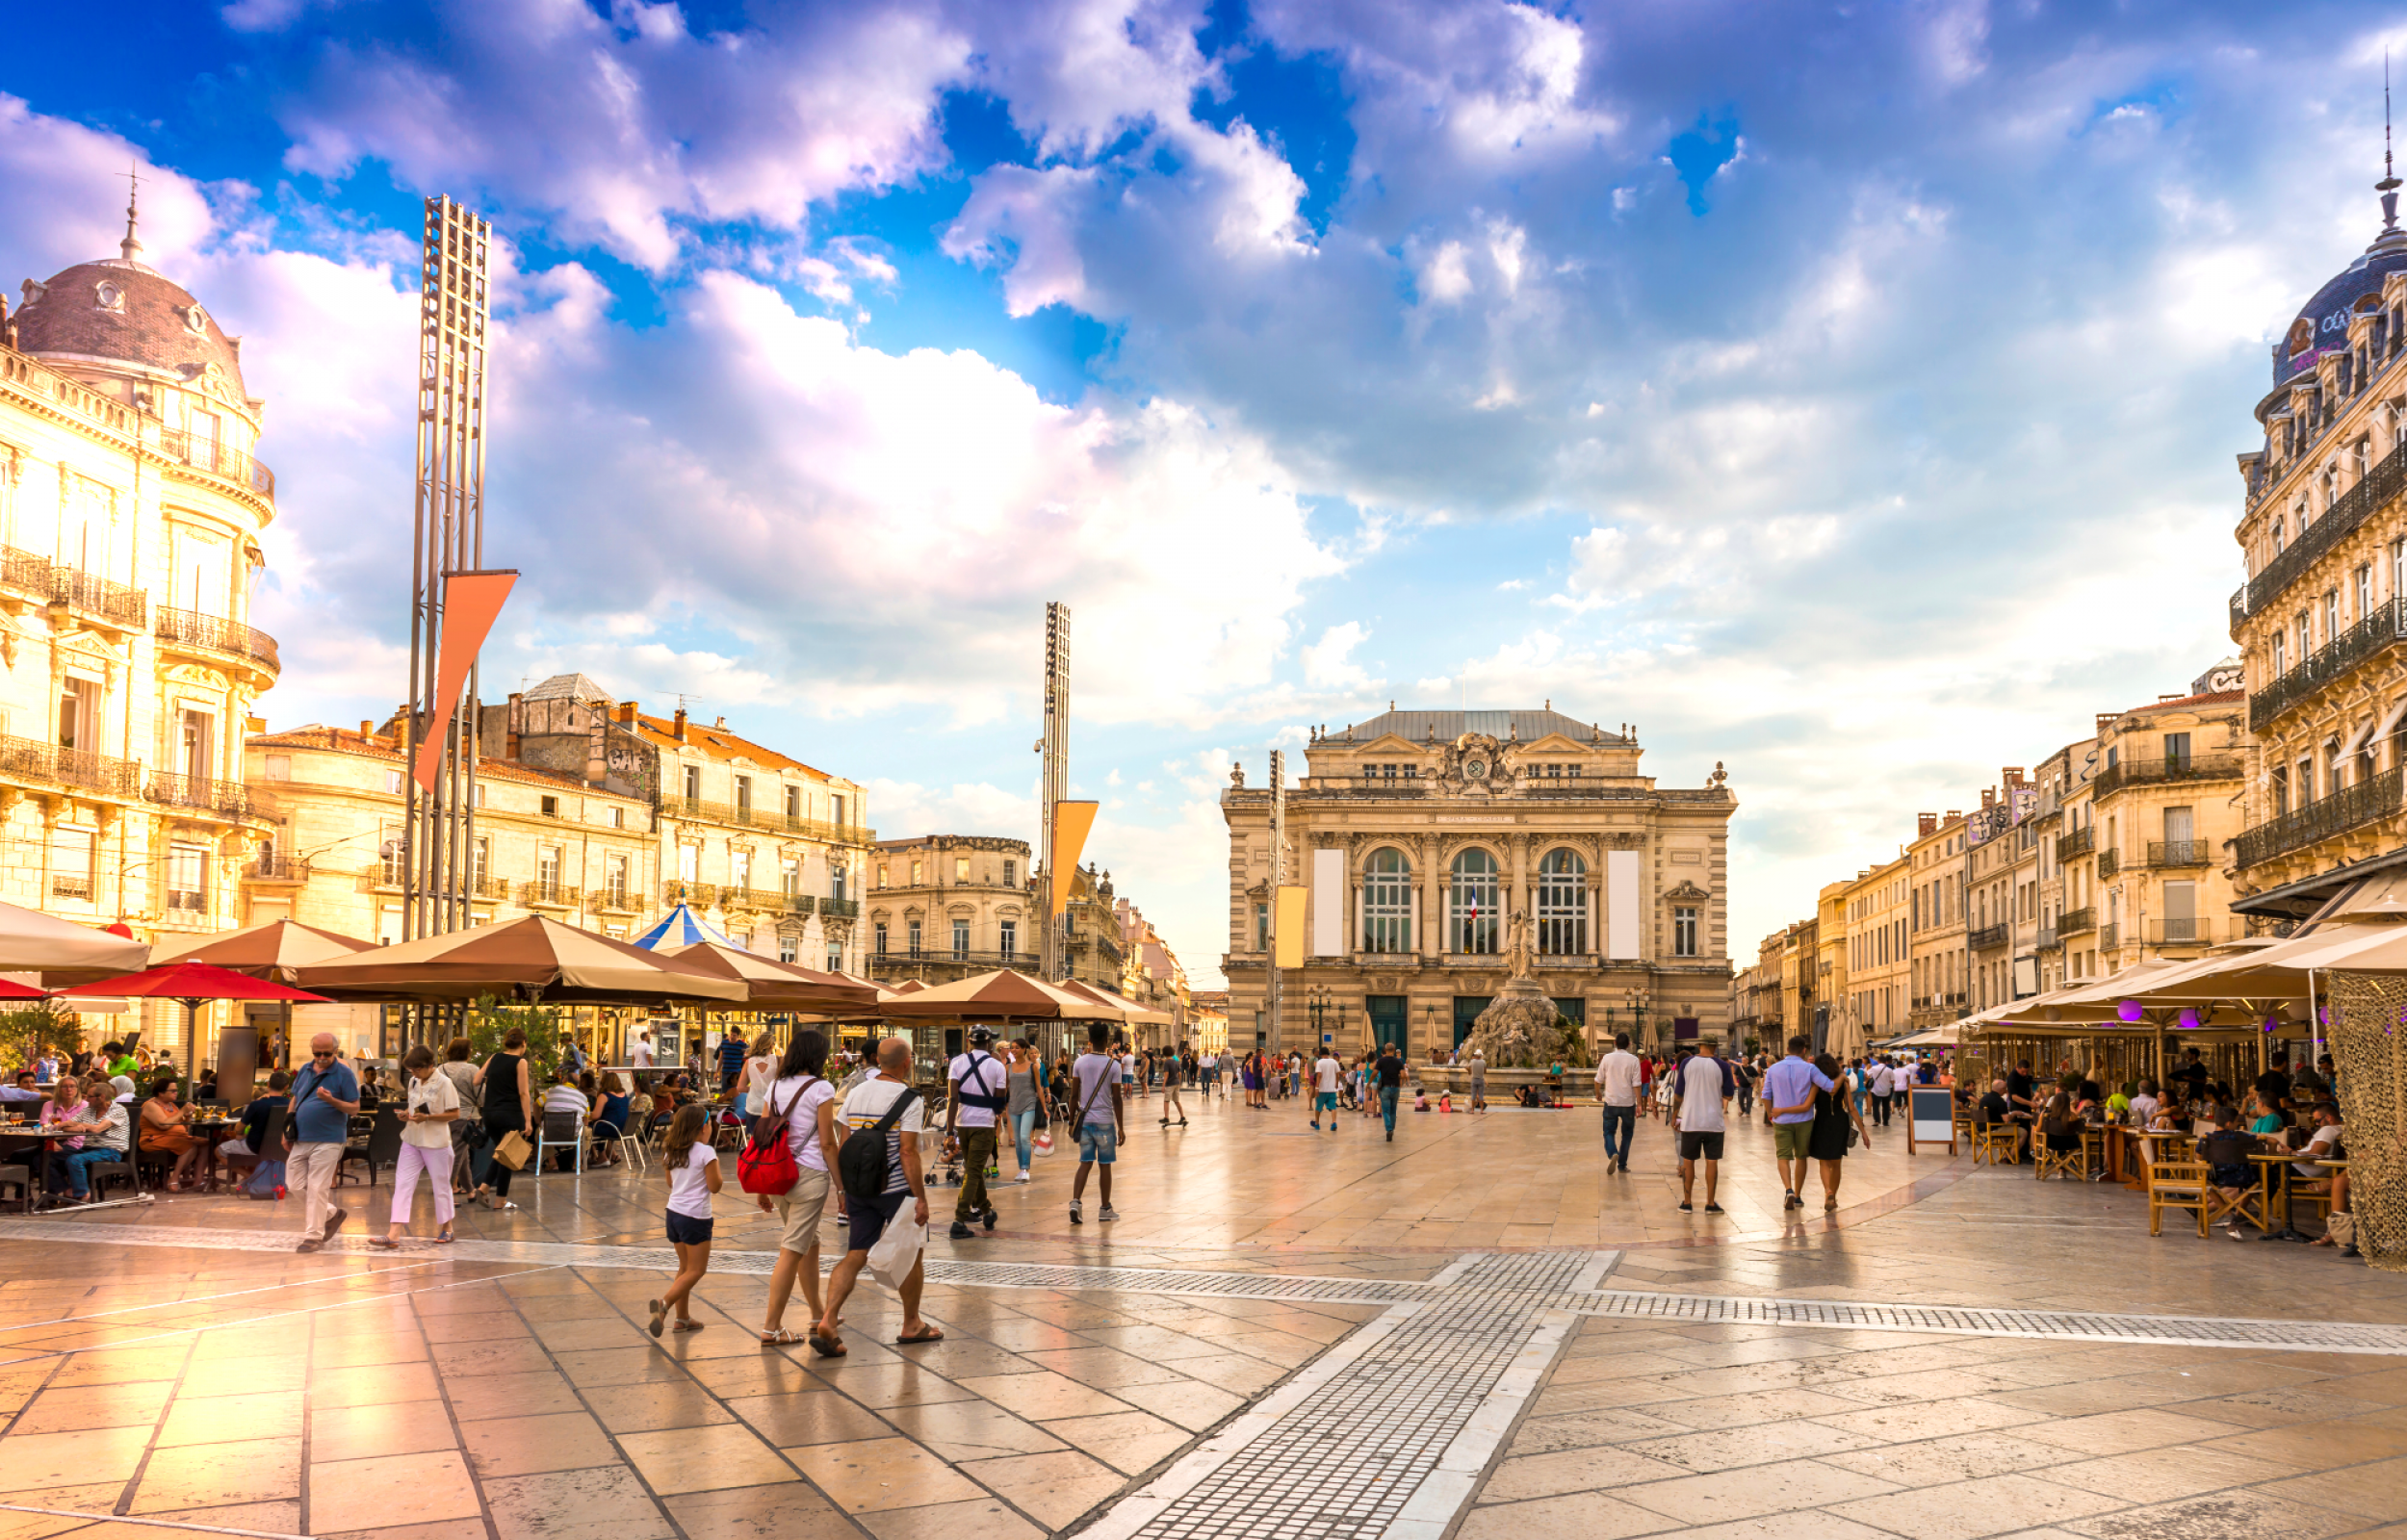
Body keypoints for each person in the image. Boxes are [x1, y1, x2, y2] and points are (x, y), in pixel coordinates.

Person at [815, 1037, 939, 1352]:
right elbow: (908, 1152)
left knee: (856, 1253)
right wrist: (920, 1198)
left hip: (859, 1188)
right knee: (911, 1256)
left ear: (877, 1060)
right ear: (907, 1063)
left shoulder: (855, 1093)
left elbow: (844, 1145)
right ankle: (912, 1324)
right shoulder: (909, 1098)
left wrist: (843, 1189)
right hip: (895, 1190)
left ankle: (828, 1318)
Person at [757, 1030, 843, 1346]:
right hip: (809, 1175)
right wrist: (841, 1188)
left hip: (779, 1174)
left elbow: (763, 1136)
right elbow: (827, 1142)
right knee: (792, 1249)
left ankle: (817, 1311)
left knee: (810, 1241)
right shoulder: (821, 1087)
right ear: (817, 1056)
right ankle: (771, 1327)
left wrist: (762, 1187)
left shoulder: (776, 1086)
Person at [374, 1045, 460, 1248]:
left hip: (436, 1142)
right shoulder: (413, 1081)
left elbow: (455, 1113)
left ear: (430, 1066)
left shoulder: (444, 1083)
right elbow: (413, 1105)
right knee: (403, 1183)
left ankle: (448, 1227)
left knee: (440, 1185)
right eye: (411, 1070)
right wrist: (406, 1114)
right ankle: (394, 1233)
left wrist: (429, 1117)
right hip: (412, 1138)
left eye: (417, 1069)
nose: (414, 1073)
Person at [648, 1104, 721, 1337]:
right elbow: (715, 1185)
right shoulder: (706, 1152)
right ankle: (664, 1304)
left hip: (674, 1214)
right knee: (697, 1270)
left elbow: (671, 1183)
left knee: (684, 1267)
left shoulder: (672, 1150)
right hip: (695, 1216)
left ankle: (682, 1318)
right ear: (703, 1128)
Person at [289, 1035, 360, 1252]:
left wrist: (331, 1101)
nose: (321, 1058)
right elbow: (295, 1099)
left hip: (329, 1139)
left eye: (326, 1054)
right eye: (316, 1053)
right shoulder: (305, 1070)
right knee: (295, 1185)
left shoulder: (344, 1074)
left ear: (335, 1051)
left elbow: (354, 1108)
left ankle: (313, 1236)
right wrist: (286, 1130)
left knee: (318, 1187)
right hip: (301, 1138)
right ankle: (332, 1214)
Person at [945, 1026, 1008, 1240]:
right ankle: (959, 1219)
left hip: (962, 1123)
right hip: (984, 1124)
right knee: (973, 1171)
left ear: (970, 1042)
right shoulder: (998, 1066)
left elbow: (952, 1098)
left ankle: (987, 1212)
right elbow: (1000, 1102)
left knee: (974, 1168)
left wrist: (948, 1131)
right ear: (989, 1043)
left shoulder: (957, 1062)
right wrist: (996, 1111)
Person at [1762, 1035, 1835, 1212]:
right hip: (1804, 1120)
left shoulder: (1773, 1069)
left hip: (1781, 1119)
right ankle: (1799, 1196)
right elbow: (1830, 1086)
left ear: (1787, 1049)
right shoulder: (1810, 1068)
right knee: (1801, 1157)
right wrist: (1843, 1079)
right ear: (1804, 1050)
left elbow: (1765, 1096)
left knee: (1783, 1156)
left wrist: (1771, 1115)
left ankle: (1788, 1190)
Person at [472, 1029, 534, 1210]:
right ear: (523, 1043)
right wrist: (528, 1121)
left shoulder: (494, 1057)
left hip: (490, 1115)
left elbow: (477, 1080)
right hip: (510, 1114)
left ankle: (499, 1199)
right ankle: (485, 1189)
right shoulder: (520, 1062)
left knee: (504, 1155)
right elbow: (523, 1093)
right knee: (507, 1155)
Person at [1069, 1022, 1124, 1224]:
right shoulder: (1114, 1065)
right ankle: (1105, 1208)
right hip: (1105, 1121)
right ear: (1107, 1041)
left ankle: (1075, 1202)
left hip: (1085, 1120)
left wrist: (1070, 1122)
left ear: (1089, 1040)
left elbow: (1073, 1095)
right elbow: (1117, 1099)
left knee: (1085, 1162)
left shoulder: (1080, 1063)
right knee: (1105, 1165)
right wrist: (1122, 1127)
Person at [1673, 1038, 1733, 1214]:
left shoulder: (1686, 1063)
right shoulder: (1722, 1066)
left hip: (1691, 1120)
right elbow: (1729, 1096)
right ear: (1715, 1047)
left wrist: (1674, 1115)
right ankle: (1710, 1203)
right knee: (1712, 1161)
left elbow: (1678, 1094)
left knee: (1688, 1160)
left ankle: (1687, 1202)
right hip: (1713, 1121)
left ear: (1699, 1046)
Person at [1806, 1051, 1872, 1210]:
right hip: (1839, 1121)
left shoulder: (1816, 1082)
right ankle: (1833, 1197)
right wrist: (1863, 1132)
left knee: (1823, 1161)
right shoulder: (1843, 1081)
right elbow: (1851, 1108)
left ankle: (1827, 1191)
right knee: (1836, 1163)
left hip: (1822, 1121)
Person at [44, 1077, 120, 1204]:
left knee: (74, 1159)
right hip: (88, 1148)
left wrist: (75, 1127)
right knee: (43, 1157)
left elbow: (96, 1129)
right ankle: (58, 1195)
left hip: (109, 1149)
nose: (85, 1098)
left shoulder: (117, 1110)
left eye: (89, 1096)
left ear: (101, 1097)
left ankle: (82, 1194)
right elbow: (68, 1124)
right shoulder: (88, 1109)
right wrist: (68, 1126)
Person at [218, 1070, 293, 1187]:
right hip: (282, 1147)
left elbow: (238, 1128)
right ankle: (260, 1178)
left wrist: (241, 1134)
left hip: (254, 1147)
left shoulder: (257, 1104)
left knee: (218, 1151)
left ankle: (253, 1178)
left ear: (268, 1084)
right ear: (286, 1087)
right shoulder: (290, 1105)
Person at [138, 1077, 205, 1191]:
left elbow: (184, 1128)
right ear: (161, 1093)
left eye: (176, 1090)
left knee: (205, 1143)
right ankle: (173, 1179)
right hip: (154, 1139)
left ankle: (198, 1181)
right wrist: (182, 1111)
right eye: (172, 1091)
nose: (176, 1093)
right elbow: (163, 1125)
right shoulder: (151, 1105)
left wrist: (187, 1115)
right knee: (189, 1145)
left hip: (175, 1138)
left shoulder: (171, 1105)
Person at [438, 1039, 482, 1194]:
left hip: (445, 1116)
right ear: (467, 1052)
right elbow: (481, 1095)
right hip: (467, 1116)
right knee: (456, 1154)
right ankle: (445, 1190)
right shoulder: (472, 1070)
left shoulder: (440, 1069)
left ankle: (470, 1191)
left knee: (461, 1153)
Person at [1594, 1032, 1641, 1171]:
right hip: (1628, 1103)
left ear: (1615, 1043)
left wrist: (1598, 1093)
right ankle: (1622, 1164)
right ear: (1629, 1045)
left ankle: (1613, 1152)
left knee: (1608, 1132)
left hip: (1611, 1102)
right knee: (1627, 1134)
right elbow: (1636, 1084)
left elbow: (1598, 1080)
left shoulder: (1607, 1058)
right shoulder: (1634, 1060)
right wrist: (1639, 1105)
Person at [1004, 1040, 1048, 1183]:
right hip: (1014, 1106)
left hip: (1029, 1104)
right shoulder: (1008, 1067)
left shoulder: (1032, 1067)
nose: (1014, 1050)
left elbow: (1038, 1088)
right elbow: (1005, 1088)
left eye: (1017, 1048)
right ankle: (1020, 1168)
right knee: (1017, 1140)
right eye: (1012, 1048)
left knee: (1024, 1137)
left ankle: (1025, 1169)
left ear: (1024, 1049)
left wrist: (1044, 1108)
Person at [589, 1073, 634, 1166]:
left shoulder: (604, 1096)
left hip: (611, 1129)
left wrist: (586, 1116)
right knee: (598, 1126)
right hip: (624, 1129)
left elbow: (595, 1116)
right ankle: (608, 1155)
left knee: (588, 1129)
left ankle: (601, 1156)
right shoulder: (624, 1095)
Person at [1308, 1046, 1341, 1132]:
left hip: (1322, 1090)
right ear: (1328, 1053)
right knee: (1333, 1106)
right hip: (1332, 1089)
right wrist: (1336, 1084)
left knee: (1318, 1107)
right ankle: (1334, 1122)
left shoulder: (1319, 1062)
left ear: (1320, 1054)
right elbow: (1338, 1074)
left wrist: (1317, 1087)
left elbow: (1319, 1075)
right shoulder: (1334, 1062)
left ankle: (1317, 1124)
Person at [1159, 1044, 1188, 1128]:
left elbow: (1166, 1074)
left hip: (1170, 1083)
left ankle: (1166, 1118)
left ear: (1164, 1053)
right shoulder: (1176, 1062)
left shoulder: (1167, 1063)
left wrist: (1163, 1085)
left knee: (1166, 1100)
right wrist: (1179, 1083)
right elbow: (1179, 1073)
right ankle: (1182, 1117)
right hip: (1176, 1083)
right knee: (1176, 1101)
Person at [716, 1029, 749, 1096]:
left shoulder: (742, 1044)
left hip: (736, 1074)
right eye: (731, 1034)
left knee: (736, 1093)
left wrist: (743, 1056)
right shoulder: (724, 1043)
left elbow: (750, 1053)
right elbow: (721, 1057)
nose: (732, 1037)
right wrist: (716, 1071)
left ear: (738, 1036)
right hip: (725, 1072)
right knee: (724, 1093)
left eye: (734, 1035)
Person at [1867, 1057, 1894, 1127]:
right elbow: (1892, 1081)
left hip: (1876, 1090)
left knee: (1875, 1105)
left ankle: (1877, 1121)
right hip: (1886, 1090)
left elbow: (1867, 1075)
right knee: (1886, 1106)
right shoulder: (1889, 1070)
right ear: (1886, 1062)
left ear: (1878, 1061)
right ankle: (1885, 1121)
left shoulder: (1874, 1068)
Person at [1467, 1049, 1488, 1114]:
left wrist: (1470, 1071)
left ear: (1475, 1055)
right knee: (1481, 1095)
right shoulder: (1483, 1062)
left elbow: (1468, 1069)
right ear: (1481, 1055)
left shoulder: (1472, 1061)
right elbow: (1485, 1072)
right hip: (1481, 1080)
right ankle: (1481, 1110)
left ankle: (1472, 1110)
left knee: (1473, 1095)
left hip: (1474, 1080)